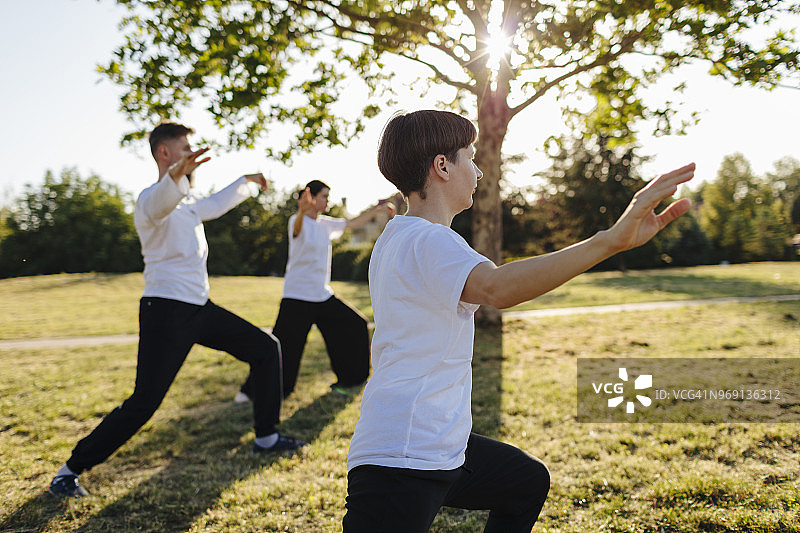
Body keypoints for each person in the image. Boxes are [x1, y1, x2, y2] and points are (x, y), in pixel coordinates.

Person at [342, 110, 696, 532]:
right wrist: (609, 242)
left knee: (524, 481)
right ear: (441, 166)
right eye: (470, 159)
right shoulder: (428, 239)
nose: (477, 172)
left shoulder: (398, 236)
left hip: (437, 445)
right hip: (402, 459)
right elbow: (497, 287)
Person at [48, 122, 305, 499]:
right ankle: (69, 471)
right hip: (165, 312)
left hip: (200, 308)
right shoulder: (151, 202)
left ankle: (266, 437)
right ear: (164, 154)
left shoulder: (187, 207)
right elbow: (162, 199)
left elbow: (215, 204)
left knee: (266, 348)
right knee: (145, 402)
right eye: (184, 147)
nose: (190, 153)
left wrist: (247, 181)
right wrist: (174, 177)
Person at [237, 180, 393, 402]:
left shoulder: (326, 225)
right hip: (297, 297)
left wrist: (377, 210)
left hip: (321, 295)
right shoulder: (296, 221)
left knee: (355, 324)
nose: (328, 200)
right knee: (284, 347)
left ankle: (352, 379)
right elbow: (297, 229)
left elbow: (351, 223)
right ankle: (251, 390)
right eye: (324, 196)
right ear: (311, 198)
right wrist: (301, 212)